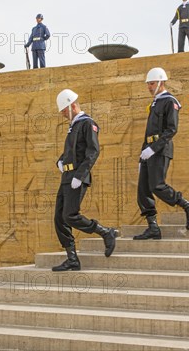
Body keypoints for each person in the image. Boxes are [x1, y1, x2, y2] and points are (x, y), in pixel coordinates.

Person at [52, 89, 119, 271]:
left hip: (77, 178)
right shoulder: (74, 126)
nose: (63, 115)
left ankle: (106, 232)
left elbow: (93, 151)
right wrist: (61, 160)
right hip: (67, 177)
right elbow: (72, 150)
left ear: (73, 105)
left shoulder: (87, 123)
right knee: (59, 218)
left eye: (64, 111)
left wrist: (80, 176)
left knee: (70, 215)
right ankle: (72, 258)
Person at [135, 67, 189, 240]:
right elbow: (149, 131)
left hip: (161, 149)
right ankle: (153, 227)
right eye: (148, 84)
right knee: (143, 189)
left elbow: (171, 129)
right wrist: (143, 154)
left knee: (157, 185)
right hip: (148, 150)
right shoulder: (156, 102)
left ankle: (188, 206)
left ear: (161, 82)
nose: (149, 87)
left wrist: (153, 149)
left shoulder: (170, 101)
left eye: (152, 83)